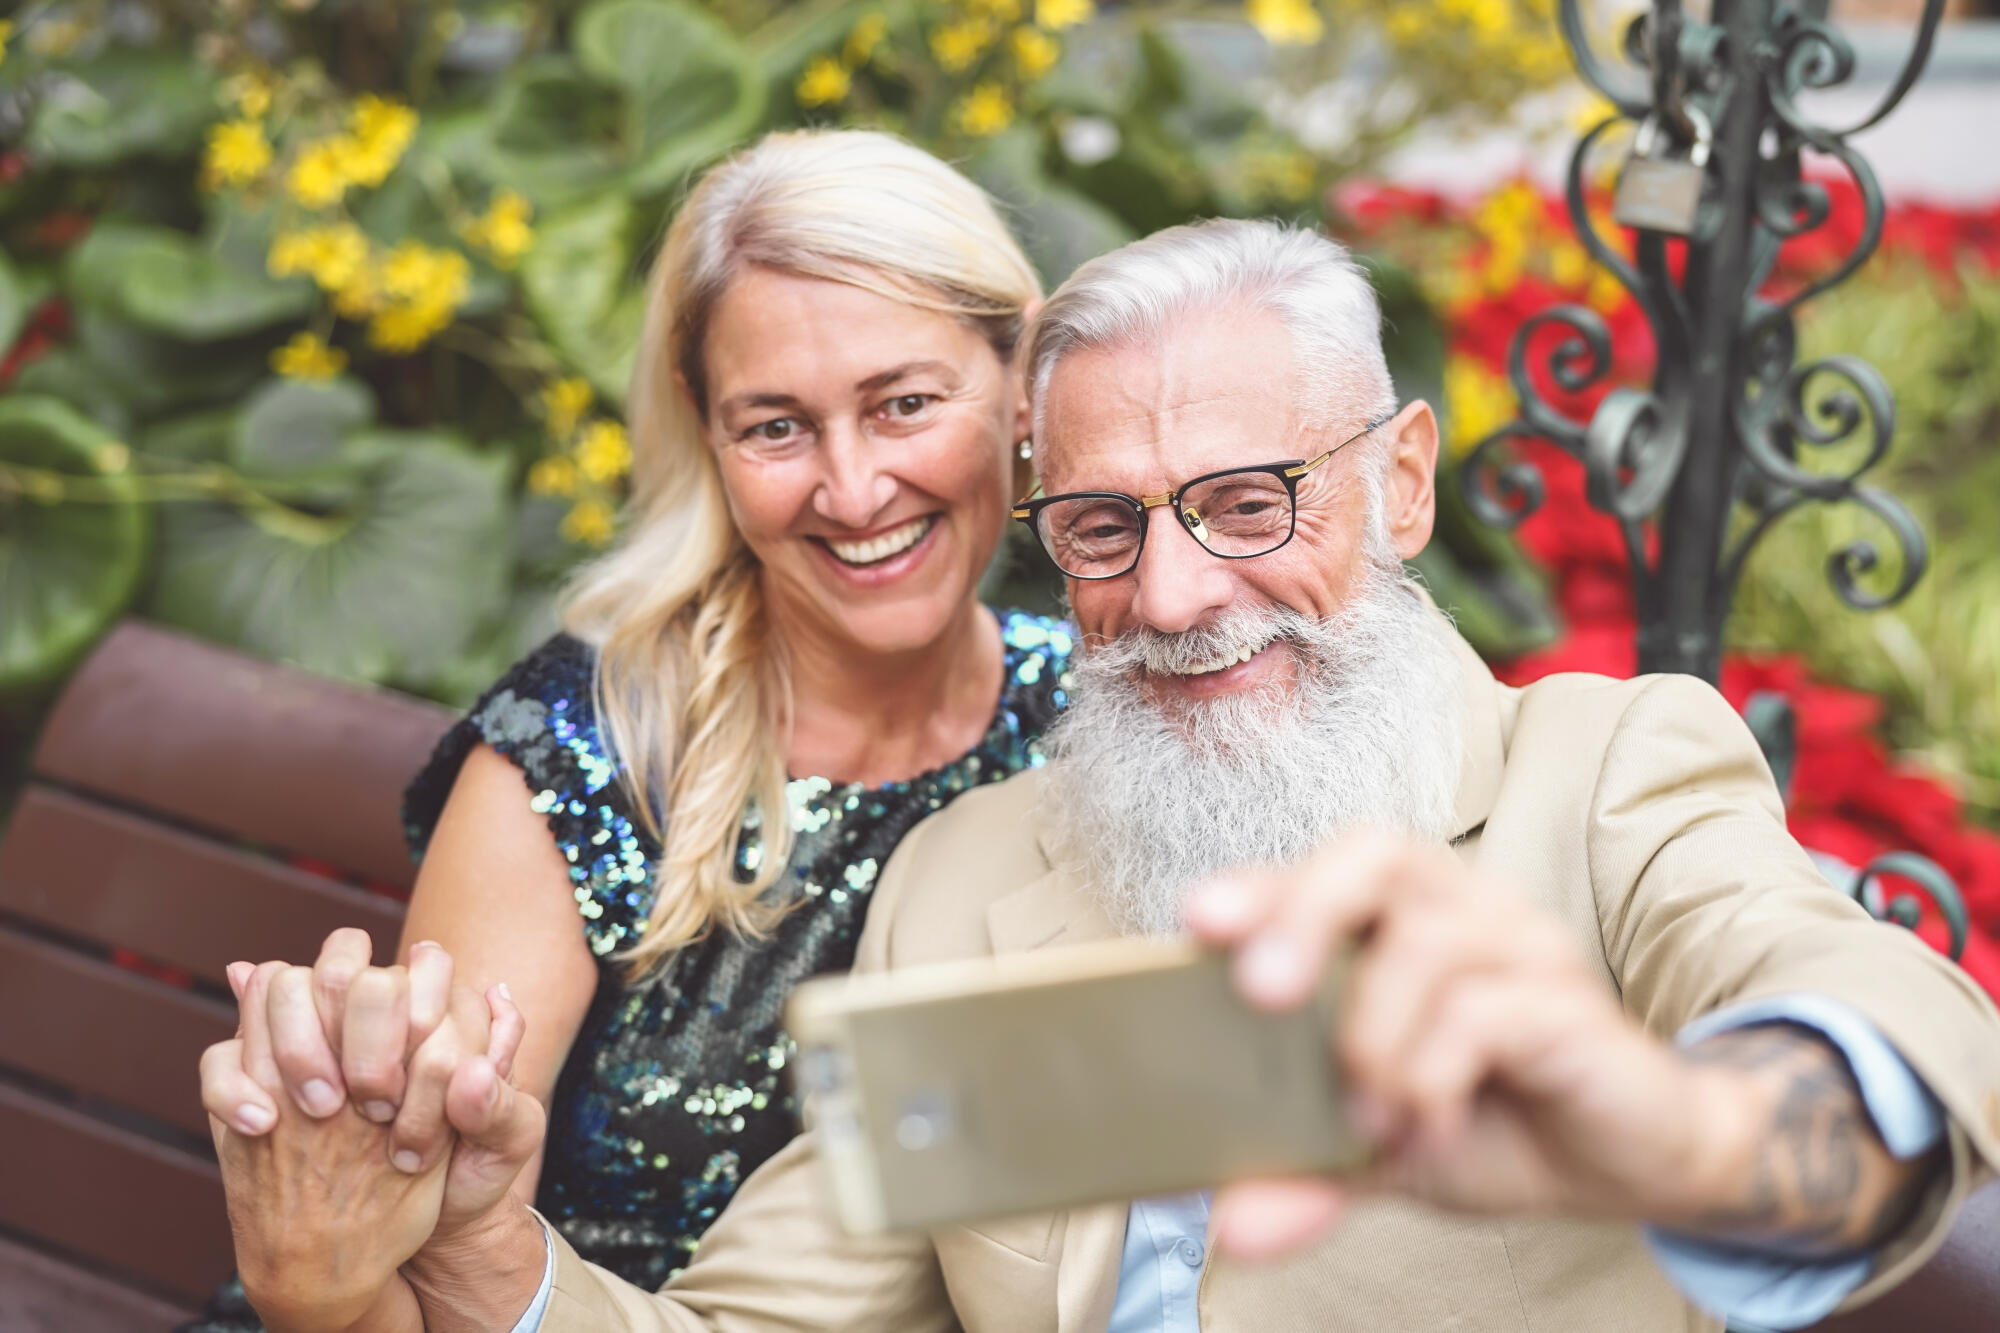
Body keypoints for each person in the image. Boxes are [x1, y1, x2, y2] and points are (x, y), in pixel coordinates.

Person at [202, 219, 2000, 1333]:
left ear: (1400, 484)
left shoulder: (1596, 782)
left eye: (1247, 499)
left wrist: (1682, 1128)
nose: (1177, 590)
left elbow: (1883, 1011)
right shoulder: (979, 875)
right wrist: (485, 1237)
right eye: (1103, 528)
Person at [183, 127, 1074, 1331]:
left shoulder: (1086, 716)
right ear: (704, 432)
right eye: (775, 427)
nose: (853, 489)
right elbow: (380, 1269)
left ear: (1022, 382)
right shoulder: (587, 750)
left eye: (904, 403)